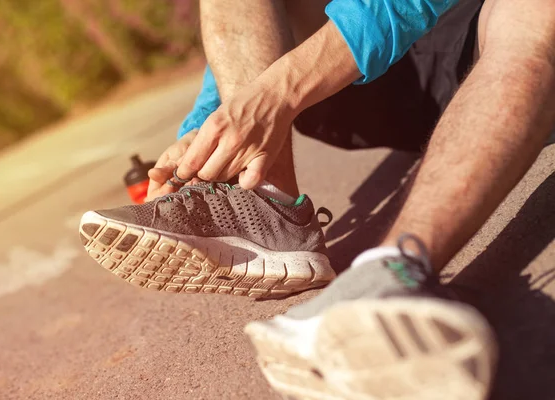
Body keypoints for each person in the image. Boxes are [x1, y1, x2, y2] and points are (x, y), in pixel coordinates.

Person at [78, 0, 555, 398]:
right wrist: (212, 126)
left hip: (501, 39)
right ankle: (270, 206)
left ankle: (390, 272)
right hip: (377, 65)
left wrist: (279, 88)